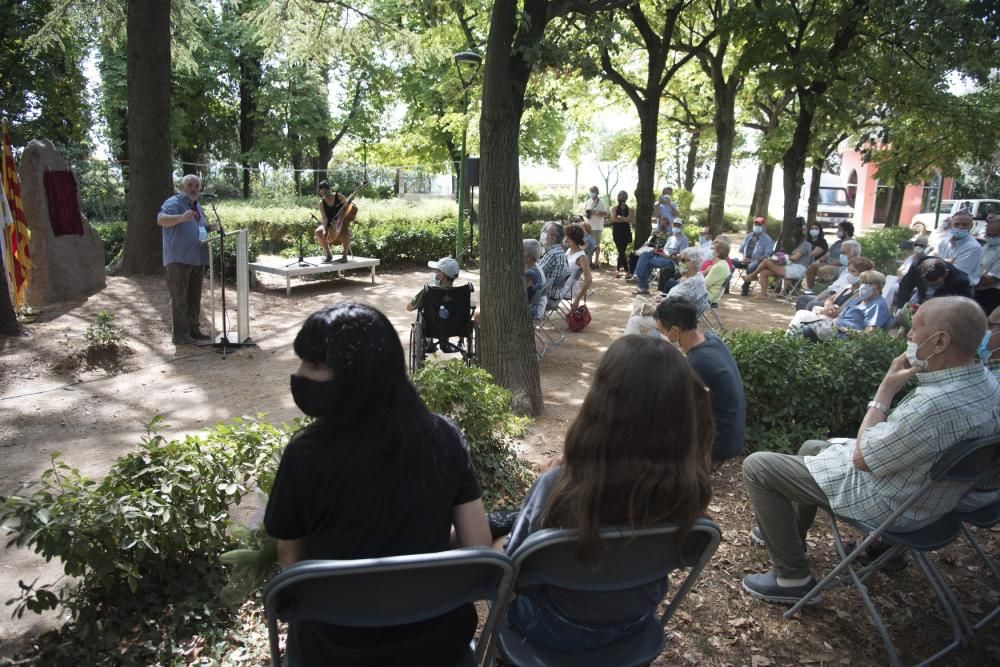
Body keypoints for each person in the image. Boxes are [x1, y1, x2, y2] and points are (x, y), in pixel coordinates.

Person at [264, 303, 492, 664]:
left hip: (334, 651)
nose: (299, 374)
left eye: (314, 364)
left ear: (356, 374)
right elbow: (478, 550)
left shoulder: (305, 456)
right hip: (438, 646)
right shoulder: (445, 439)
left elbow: (292, 566)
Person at [741, 297, 1000, 604]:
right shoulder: (987, 383)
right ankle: (789, 537)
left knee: (758, 466)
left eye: (915, 329)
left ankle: (791, 577)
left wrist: (885, 391)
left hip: (892, 505)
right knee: (811, 447)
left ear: (940, 341)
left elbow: (862, 459)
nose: (908, 336)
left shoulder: (934, 406)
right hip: (932, 501)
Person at [503, 335, 713, 651]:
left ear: (601, 404)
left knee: (494, 550)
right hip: (637, 622)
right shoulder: (688, 489)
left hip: (551, 625)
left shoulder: (561, 486)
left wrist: (552, 480)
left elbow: (515, 572)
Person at [654, 297, 746, 466]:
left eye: (662, 331)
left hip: (717, 445)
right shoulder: (711, 340)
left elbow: (675, 410)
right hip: (732, 434)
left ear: (675, 330)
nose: (662, 336)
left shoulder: (698, 362)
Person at [157, 174, 217, 345]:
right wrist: (181, 217)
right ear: (183, 187)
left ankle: (194, 330)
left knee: (193, 299)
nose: (194, 188)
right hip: (178, 259)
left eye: (196, 186)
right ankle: (181, 336)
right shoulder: (174, 203)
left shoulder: (198, 206)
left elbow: (199, 229)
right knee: (179, 299)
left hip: (197, 258)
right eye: (190, 185)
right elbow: (160, 220)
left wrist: (210, 227)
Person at [744, 227, 812, 300]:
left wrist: (782, 257)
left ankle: (752, 275)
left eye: (793, 238)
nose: (792, 240)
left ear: (797, 237)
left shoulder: (806, 244)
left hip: (797, 269)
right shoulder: (799, 246)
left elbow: (795, 258)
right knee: (764, 272)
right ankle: (763, 294)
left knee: (766, 261)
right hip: (790, 267)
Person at [893, 256, 973, 312]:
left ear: (946, 274)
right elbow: (905, 287)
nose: (930, 288)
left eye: (936, 284)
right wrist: (901, 309)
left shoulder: (961, 282)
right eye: (927, 284)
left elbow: (965, 307)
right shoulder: (916, 267)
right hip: (920, 302)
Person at [795, 255, 873, 312]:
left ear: (863, 274)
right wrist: (828, 302)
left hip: (834, 314)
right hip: (830, 303)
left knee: (812, 305)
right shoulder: (849, 286)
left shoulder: (860, 291)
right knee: (802, 299)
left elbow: (843, 309)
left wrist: (828, 306)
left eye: (853, 271)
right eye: (849, 270)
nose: (849, 274)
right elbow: (831, 297)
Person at [406, 256, 474, 313]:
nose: (434, 273)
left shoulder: (428, 291)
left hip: (432, 328)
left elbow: (409, 308)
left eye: (436, 271)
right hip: (457, 328)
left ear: (441, 275)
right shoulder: (461, 294)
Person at [936, 210, 982, 285]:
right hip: (941, 284)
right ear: (951, 225)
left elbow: (957, 273)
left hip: (959, 287)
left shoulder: (974, 247)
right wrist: (946, 262)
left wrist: (940, 262)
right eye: (956, 224)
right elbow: (932, 259)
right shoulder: (943, 242)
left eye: (964, 225)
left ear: (971, 226)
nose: (960, 227)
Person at [734, 218, 775, 296]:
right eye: (755, 224)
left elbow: (767, 255)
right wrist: (743, 257)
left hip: (756, 262)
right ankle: (725, 288)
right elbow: (741, 250)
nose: (757, 226)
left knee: (751, 266)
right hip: (744, 260)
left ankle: (745, 287)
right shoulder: (748, 236)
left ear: (763, 226)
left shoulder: (767, 240)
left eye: (759, 225)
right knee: (730, 262)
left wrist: (754, 260)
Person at [631, 218, 672, 296]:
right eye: (661, 223)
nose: (662, 225)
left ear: (667, 225)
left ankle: (641, 283)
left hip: (660, 254)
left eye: (664, 224)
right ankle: (639, 280)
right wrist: (639, 250)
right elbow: (647, 243)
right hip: (650, 251)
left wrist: (658, 250)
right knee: (643, 255)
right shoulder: (655, 232)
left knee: (645, 260)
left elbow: (668, 248)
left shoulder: (669, 235)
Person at [316, 181, 354, 264]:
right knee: (318, 232)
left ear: (329, 189)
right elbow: (324, 218)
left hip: (341, 223)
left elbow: (348, 207)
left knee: (346, 231)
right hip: (330, 225)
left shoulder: (339, 196)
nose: (325, 193)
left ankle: (344, 256)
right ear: (320, 192)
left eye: (326, 190)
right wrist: (325, 229)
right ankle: (328, 255)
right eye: (322, 191)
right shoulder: (322, 203)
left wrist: (349, 201)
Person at [562, 223, 593, 312]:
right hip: (559, 285)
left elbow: (589, 279)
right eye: (565, 236)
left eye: (568, 237)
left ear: (574, 239)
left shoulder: (581, 257)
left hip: (565, 289)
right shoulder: (569, 250)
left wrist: (577, 299)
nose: (565, 239)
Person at [539, 222, 570, 308]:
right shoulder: (560, 251)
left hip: (546, 298)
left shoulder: (552, 254)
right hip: (555, 296)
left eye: (545, 232)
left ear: (553, 238)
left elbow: (536, 275)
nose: (543, 234)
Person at [974, 215, 1000, 315]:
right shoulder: (987, 245)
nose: (990, 238)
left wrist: (970, 279)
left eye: (994, 236)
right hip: (978, 290)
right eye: (987, 235)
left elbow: (990, 279)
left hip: (991, 294)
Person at [610, 190, 634, 278]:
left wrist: (620, 217)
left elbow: (629, 219)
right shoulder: (614, 209)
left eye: (623, 195)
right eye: (620, 195)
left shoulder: (631, 210)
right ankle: (626, 271)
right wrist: (624, 219)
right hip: (617, 232)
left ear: (626, 198)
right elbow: (613, 219)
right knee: (621, 251)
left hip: (626, 232)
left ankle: (618, 270)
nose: (622, 197)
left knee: (622, 251)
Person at [583, 186, 608, 268]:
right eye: (590, 191)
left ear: (597, 192)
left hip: (597, 227)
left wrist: (595, 212)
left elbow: (605, 214)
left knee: (596, 245)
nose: (591, 193)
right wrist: (587, 213)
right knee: (587, 244)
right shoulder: (588, 202)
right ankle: (588, 262)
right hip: (588, 227)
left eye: (593, 191)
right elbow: (584, 213)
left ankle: (596, 262)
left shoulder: (601, 202)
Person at [523, 239, 547, 321]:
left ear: (529, 256)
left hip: (533, 311)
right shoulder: (535, 266)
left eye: (521, 251)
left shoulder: (530, 273)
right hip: (538, 306)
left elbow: (521, 295)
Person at [703, 238, 733, 305]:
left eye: (712, 248)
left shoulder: (718, 267)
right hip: (710, 295)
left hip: (707, 297)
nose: (709, 250)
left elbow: (704, 285)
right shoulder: (723, 263)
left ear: (718, 253)